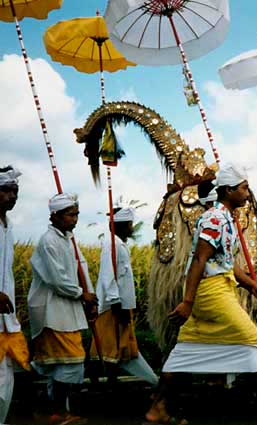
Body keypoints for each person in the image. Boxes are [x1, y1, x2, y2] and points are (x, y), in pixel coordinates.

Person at [146, 163, 257, 423]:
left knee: (185, 348)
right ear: (229, 190)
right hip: (211, 292)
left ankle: (158, 408)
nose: (247, 193)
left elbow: (226, 262)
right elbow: (199, 259)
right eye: (244, 188)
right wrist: (188, 302)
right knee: (249, 338)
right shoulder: (214, 219)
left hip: (219, 288)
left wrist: (252, 286)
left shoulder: (225, 219)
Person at [28, 193, 97, 425]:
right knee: (71, 362)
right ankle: (56, 412)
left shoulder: (68, 239)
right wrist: (81, 294)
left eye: (76, 214)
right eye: (70, 215)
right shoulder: (49, 241)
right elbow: (57, 280)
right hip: (53, 311)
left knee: (62, 364)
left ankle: (52, 411)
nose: (75, 219)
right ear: (55, 216)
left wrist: (88, 297)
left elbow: (79, 269)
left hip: (66, 310)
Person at [90, 207, 158, 385]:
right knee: (109, 348)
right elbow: (108, 274)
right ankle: (99, 383)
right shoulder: (112, 245)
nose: (132, 228)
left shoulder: (118, 244)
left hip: (122, 305)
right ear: (120, 225)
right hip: (114, 307)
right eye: (129, 224)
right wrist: (115, 302)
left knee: (119, 347)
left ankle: (111, 382)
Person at [0, 166, 30, 424]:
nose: (12, 196)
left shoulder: (8, 226)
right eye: (6, 190)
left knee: (5, 378)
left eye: (15, 191)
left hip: (5, 321)